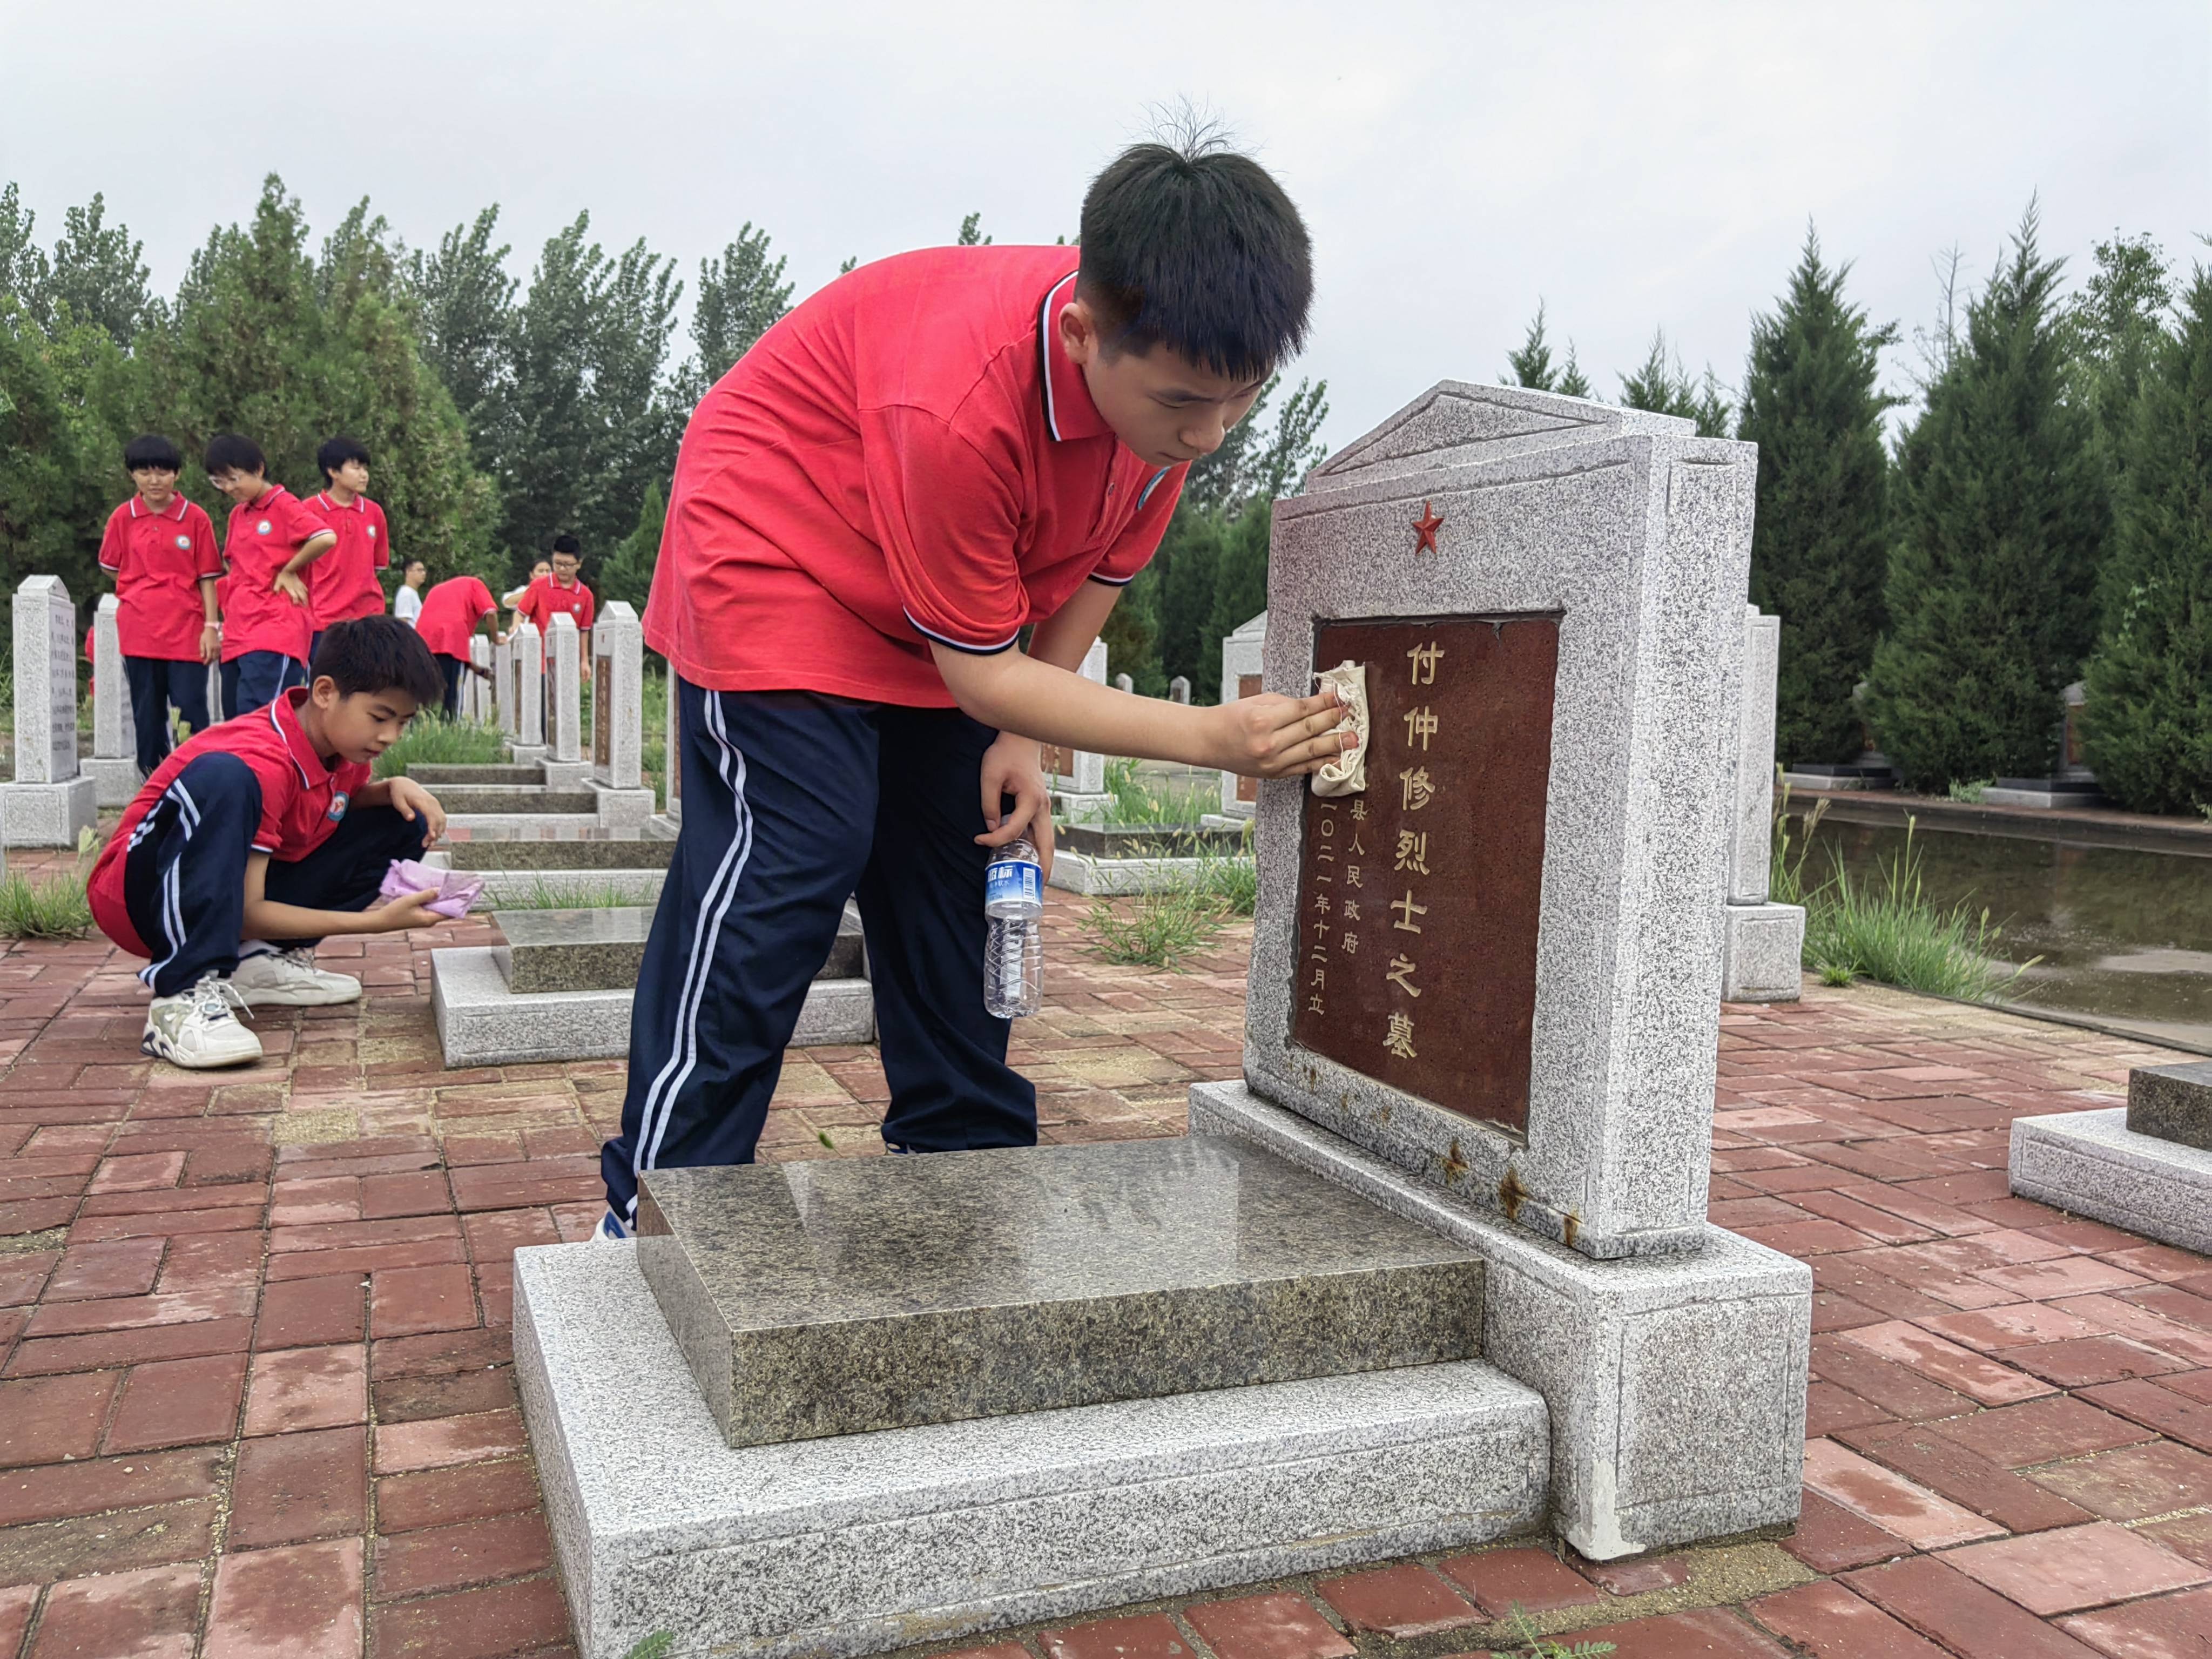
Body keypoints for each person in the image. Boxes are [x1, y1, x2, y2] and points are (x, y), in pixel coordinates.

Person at [596, 133, 1344, 1240]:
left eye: (1239, 401)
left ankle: (961, 1167)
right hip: (782, 551)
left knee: (966, 850)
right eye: (1184, 402)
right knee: (796, 853)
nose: (1206, 435)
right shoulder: (954, 405)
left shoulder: (1166, 390)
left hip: (945, 606)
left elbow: (1099, 566)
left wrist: (1023, 740)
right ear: (1084, 333)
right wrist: (1211, 737)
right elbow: (981, 673)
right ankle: (658, 1198)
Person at [85, 618, 453, 1070]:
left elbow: (328, 805)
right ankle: (180, 996)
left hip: (225, 891)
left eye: (403, 722)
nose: (390, 736)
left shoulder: (343, 751)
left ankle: (257, 961)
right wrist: (376, 924)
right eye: (380, 717)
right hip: (141, 897)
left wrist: (393, 785)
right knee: (226, 776)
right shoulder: (261, 759)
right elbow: (249, 910)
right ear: (324, 692)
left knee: (405, 819)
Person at [96, 434, 221, 775]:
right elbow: (110, 565)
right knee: (147, 715)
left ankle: (198, 782)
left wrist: (211, 627)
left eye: (163, 472)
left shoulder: (195, 518)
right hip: (140, 633)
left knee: (192, 711)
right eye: (145, 472)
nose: (154, 481)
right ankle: (154, 786)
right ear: (132, 475)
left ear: (177, 475)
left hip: (187, 632)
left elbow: (207, 576)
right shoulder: (123, 518)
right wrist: (140, 590)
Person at [205, 433, 336, 718]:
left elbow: (325, 537)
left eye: (234, 478)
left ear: (259, 469)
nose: (228, 488)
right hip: (239, 632)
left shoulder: (283, 504)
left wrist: (289, 570)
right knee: (236, 721)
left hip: (274, 630)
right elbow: (234, 566)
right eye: (219, 481)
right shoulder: (238, 515)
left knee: (263, 719)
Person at [302, 436, 392, 661]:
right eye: (356, 467)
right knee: (330, 690)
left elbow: (377, 566)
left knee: (369, 688)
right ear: (333, 471)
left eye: (365, 468)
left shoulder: (374, 513)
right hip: (324, 622)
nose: (364, 475)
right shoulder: (307, 511)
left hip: (369, 620)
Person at [413, 574, 503, 716]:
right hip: (451, 633)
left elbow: (454, 655)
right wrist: (496, 639)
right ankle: (450, 728)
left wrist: (480, 671)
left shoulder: (438, 589)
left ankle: (422, 733)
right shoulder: (476, 584)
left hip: (421, 642)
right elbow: (491, 613)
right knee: (451, 702)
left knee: (427, 699)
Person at [515, 535, 595, 657]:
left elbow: (584, 631)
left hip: (568, 660)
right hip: (539, 658)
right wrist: (516, 628)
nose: (562, 569)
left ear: (579, 564)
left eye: (567, 564)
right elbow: (521, 613)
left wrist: (584, 661)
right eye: (557, 563)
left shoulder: (586, 595)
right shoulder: (538, 586)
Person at [501, 559, 550, 628]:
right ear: (532, 575)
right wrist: (531, 593)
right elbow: (507, 602)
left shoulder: (557, 592)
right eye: (541, 571)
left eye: (548, 571)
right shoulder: (525, 590)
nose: (545, 574)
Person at [394, 559, 428, 626]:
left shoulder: (412, 593)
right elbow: (403, 622)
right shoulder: (406, 593)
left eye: (424, 570)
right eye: (419, 570)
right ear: (408, 572)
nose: (424, 573)